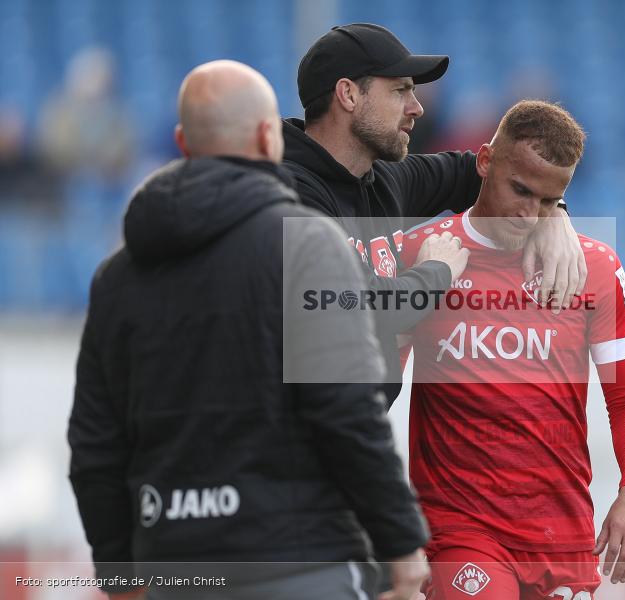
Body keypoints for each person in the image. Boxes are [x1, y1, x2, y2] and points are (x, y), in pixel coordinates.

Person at [67, 60, 428, 600]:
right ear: (268, 136)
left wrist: (118, 574)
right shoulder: (307, 246)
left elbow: (95, 443)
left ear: (183, 142)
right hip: (302, 561)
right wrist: (401, 543)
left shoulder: (115, 277)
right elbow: (346, 410)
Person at [398, 101, 625, 599]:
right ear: (485, 161)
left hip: (561, 535)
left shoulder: (595, 269)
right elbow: (373, 389)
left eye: (547, 200)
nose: (527, 213)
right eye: (519, 190)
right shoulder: (424, 255)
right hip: (460, 529)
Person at [281, 23, 587, 404]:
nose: (417, 107)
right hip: (288, 445)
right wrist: (436, 272)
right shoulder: (287, 194)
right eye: (400, 91)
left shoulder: (381, 179)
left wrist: (555, 213)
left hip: (347, 435)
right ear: (348, 95)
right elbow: (357, 306)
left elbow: (491, 172)